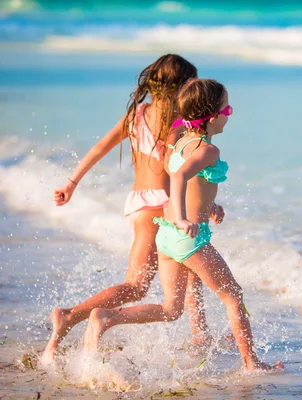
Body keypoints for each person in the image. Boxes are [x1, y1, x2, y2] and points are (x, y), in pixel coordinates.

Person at [83, 78, 283, 371]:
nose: (230, 114)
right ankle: (251, 362)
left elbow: (177, 172)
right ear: (214, 118)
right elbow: (178, 178)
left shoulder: (180, 141)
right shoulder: (208, 151)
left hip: (166, 234)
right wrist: (183, 217)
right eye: (227, 110)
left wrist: (207, 205)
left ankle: (106, 317)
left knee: (170, 309)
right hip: (188, 237)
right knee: (233, 296)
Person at [42, 55, 220, 364]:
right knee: (139, 285)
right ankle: (70, 316)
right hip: (162, 207)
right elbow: (174, 167)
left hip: (138, 203)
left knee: (187, 270)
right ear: (182, 88)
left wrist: (71, 183)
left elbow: (101, 147)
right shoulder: (178, 122)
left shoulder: (138, 114)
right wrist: (205, 201)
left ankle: (199, 334)